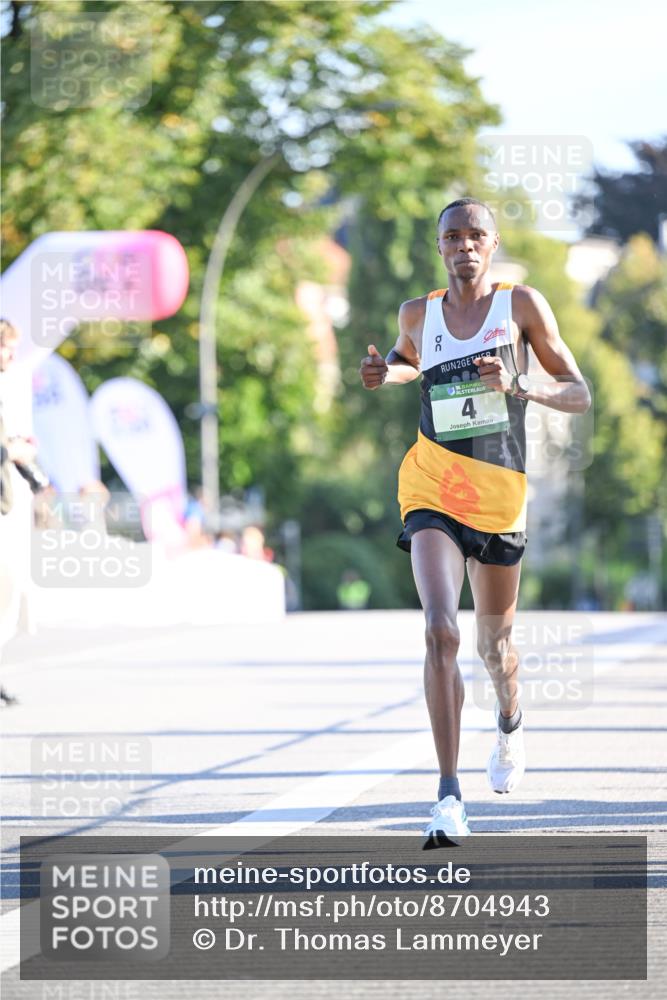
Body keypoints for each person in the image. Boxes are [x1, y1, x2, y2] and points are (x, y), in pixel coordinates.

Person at [359, 198, 591, 845]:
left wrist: (519, 385)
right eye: (451, 236)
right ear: (438, 246)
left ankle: (510, 719)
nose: (463, 246)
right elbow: (408, 359)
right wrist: (387, 373)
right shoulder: (418, 312)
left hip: (498, 495)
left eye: (475, 236)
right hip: (432, 482)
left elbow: (577, 391)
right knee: (440, 631)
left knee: (494, 646)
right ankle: (446, 796)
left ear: (491, 245)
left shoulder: (520, 307)